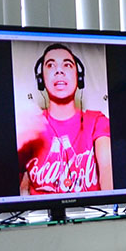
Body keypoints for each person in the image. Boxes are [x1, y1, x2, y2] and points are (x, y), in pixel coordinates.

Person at [17, 43, 112, 194]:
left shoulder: (96, 121)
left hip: (91, 214)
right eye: (50, 65)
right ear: (41, 79)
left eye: (67, 65)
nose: (59, 71)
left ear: (78, 77)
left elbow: (108, 169)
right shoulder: (29, 126)